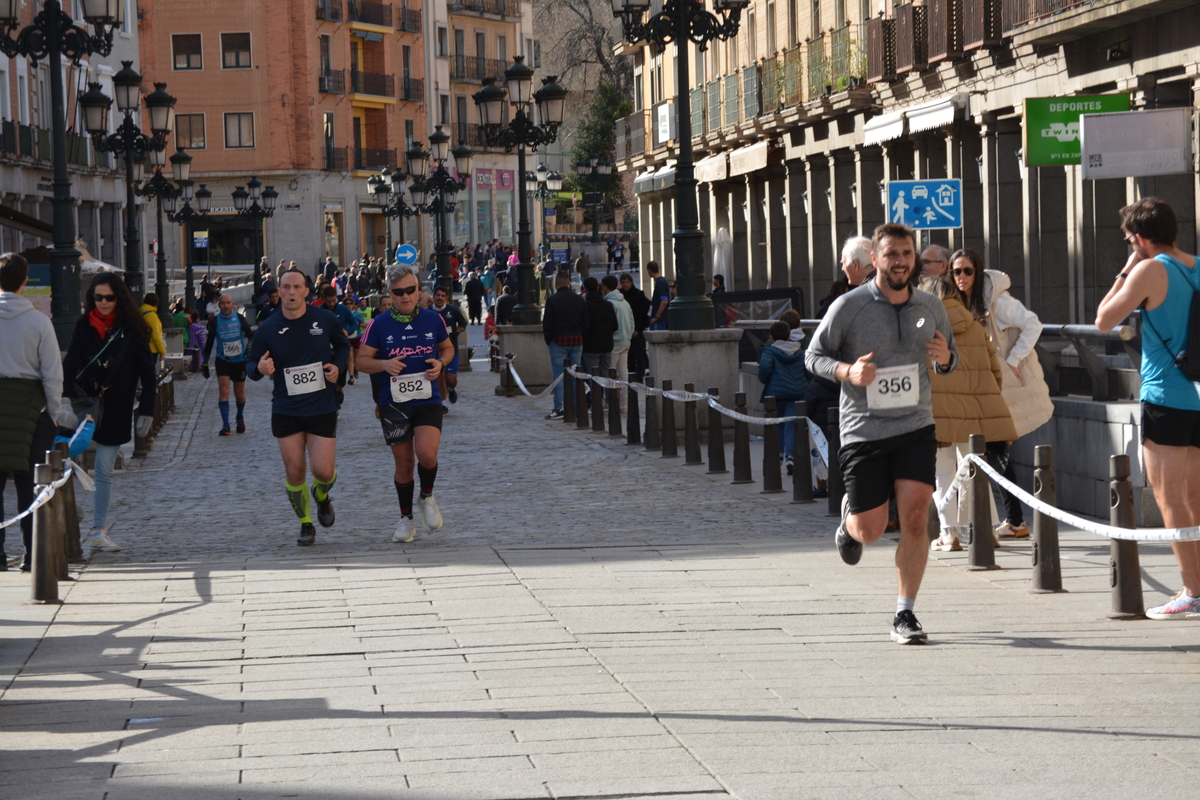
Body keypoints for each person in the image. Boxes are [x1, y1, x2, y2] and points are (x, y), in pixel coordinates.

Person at [805, 222, 958, 644]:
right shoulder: (849, 306)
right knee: (871, 529)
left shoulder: (931, 306)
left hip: (915, 425)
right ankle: (849, 524)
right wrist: (847, 371)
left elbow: (950, 360)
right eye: (891, 255)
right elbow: (813, 356)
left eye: (907, 254)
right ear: (875, 259)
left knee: (914, 519)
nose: (900, 262)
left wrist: (945, 358)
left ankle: (904, 614)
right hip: (864, 430)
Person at [1096, 197, 1200, 620]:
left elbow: (1105, 319)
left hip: (1166, 395)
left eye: (1129, 240)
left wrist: (1127, 267)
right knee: (1196, 494)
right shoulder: (1196, 264)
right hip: (1198, 394)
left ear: (1140, 238)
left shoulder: (1148, 269)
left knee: (1169, 496)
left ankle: (1192, 590)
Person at [950, 248, 1052, 540]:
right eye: (956, 271)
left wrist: (1013, 359)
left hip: (999, 389)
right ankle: (1014, 519)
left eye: (968, 271)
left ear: (977, 272)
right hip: (979, 390)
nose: (962, 277)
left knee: (993, 450)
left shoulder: (997, 301)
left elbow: (1033, 323)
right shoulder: (962, 302)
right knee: (994, 450)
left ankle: (1010, 519)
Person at [246, 269, 350, 546]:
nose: (291, 292)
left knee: (323, 472)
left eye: (297, 287)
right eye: (285, 287)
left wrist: (337, 368)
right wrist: (259, 367)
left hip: (322, 405)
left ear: (307, 291)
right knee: (294, 472)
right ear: (278, 291)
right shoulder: (267, 328)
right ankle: (305, 524)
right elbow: (250, 366)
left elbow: (343, 348)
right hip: (286, 408)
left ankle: (322, 496)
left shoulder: (325, 319)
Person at [358, 265, 455, 543]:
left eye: (410, 290)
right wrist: (384, 363)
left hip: (427, 399)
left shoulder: (432, 320)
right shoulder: (379, 324)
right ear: (390, 293)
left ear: (418, 289)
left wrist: (441, 362)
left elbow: (447, 348)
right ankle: (406, 519)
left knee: (426, 454)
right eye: (398, 292)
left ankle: (426, 495)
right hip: (393, 403)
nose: (405, 296)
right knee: (404, 464)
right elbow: (361, 362)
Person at [62, 272, 158, 554]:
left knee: (103, 468)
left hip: (116, 407)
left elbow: (148, 373)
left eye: (109, 298)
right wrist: (65, 399)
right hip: (83, 406)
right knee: (66, 462)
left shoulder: (134, 329)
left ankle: (97, 530)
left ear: (120, 298)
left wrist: (148, 410)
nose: (103, 303)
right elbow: (70, 364)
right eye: (97, 297)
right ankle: (66, 516)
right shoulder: (83, 326)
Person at [920, 275, 1017, 551]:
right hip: (974, 412)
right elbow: (994, 369)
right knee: (975, 470)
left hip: (935, 413)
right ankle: (984, 529)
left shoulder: (921, 325)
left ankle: (949, 533)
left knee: (941, 472)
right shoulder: (974, 325)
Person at [0, 253, 63, 571]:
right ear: (25, 282)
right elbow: (52, 372)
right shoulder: (39, 322)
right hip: (31, 411)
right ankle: (32, 556)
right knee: (31, 486)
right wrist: (54, 411)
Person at [758, 320, 809, 476]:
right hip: (796, 394)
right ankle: (790, 456)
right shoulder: (800, 352)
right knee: (791, 425)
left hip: (776, 394)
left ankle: (779, 453)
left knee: (778, 424)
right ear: (789, 336)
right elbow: (809, 373)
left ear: (772, 337)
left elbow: (765, 369)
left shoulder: (769, 351)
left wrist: (765, 379)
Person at [202, 294, 255, 435]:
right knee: (224, 390)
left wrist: (249, 346)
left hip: (239, 361)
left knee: (239, 394)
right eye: (223, 303)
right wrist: (205, 363)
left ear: (232, 304)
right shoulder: (215, 322)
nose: (225, 306)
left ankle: (239, 416)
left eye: (228, 303)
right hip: (222, 360)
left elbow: (251, 335)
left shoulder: (239, 318)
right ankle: (225, 425)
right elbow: (209, 344)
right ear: (219, 305)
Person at [542, 271, 589, 419]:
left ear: (556, 284)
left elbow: (547, 323)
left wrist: (549, 340)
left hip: (559, 340)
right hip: (576, 340)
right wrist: (582, 336)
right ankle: (576, 406)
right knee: (576, 375)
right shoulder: (579, 299)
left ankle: (558, 408)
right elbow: (586, 321)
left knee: (558, 375)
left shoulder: (552, 300)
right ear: (568, 282)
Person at [431, 286, 468, 409]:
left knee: (451, 379)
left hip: (451, 349)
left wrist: (457, 332)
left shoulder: (453, 310)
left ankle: (451, 389)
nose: (440, 298)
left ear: (446, 298)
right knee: (439, 379)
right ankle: (443, 404)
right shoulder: (428, 312)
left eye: (442, 296)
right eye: (438, 295)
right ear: (434, 296)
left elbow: (463, 323)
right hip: (435, 351)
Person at [602, 275, 634, 409]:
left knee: (609, 374)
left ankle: (610, 403)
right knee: (623, 373)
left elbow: (609, 325)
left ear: (604, 287)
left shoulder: (609, 304)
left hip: (614, 342)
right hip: (626, 341)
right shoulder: (624, 302)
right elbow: (632, 322)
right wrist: (628, 335)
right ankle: (624, 404)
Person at [321, 286, 359, 387]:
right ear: (323, 298)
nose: (331, 304)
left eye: (334, 300)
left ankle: (339, 390)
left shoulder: (343, 309)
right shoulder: (318, 311)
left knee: (340, 382)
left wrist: (347, 331)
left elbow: (354, 324)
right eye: (329, 301)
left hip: (340, 349)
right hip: (324, 350)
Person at [581, 276, 617, 380]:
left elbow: (583, 327)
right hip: (607, 345)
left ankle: (597, 396)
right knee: (606, 376)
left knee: (593, 377)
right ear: (598, 288)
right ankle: (607, 396)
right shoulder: (608, 305)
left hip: (590, 347)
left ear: (585, 289)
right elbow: (615, 326)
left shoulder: (585, 306)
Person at [619, 273, 650, 380]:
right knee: (629, 357)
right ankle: (631, 377)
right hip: (625, 331)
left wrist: (638, 329)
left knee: (639, 355)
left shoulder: (638, 294)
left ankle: (640, 378)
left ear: (631, 282)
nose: (625, 284)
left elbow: (643, 313)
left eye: (627, 282)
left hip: (637, 330)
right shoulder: (620, 295)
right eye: (623, 282)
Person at [140, 292, 166, 363]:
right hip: (151, 349)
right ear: (156, 303)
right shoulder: (152, 316)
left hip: (141, 346)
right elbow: (156, 336)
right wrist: (162, 351)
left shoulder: (141, 313)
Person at [646, 260, 670, 330]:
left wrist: (656, 317)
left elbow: (664, 301)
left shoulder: (659, 282)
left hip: (658, 321)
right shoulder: (664, 281)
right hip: (661, 319)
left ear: (649, 270)